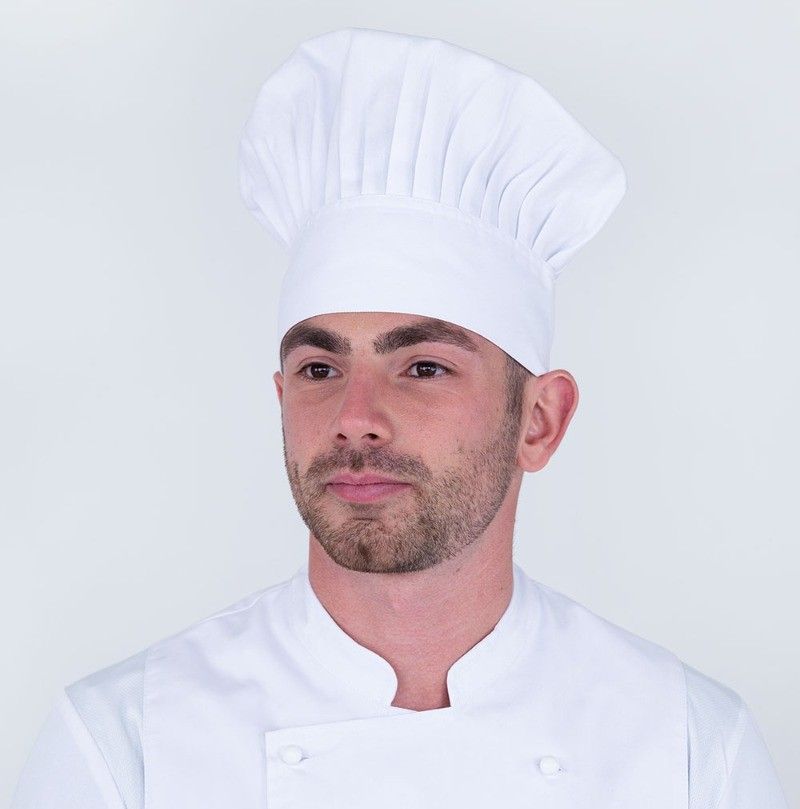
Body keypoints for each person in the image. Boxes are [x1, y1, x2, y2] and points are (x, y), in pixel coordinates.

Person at [11, 26, 789, 809]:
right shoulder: (127, 746)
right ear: (282, 400)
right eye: (320, 369)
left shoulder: (685, 746)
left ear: (540, 421)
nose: (356, 419)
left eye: (422, 368)